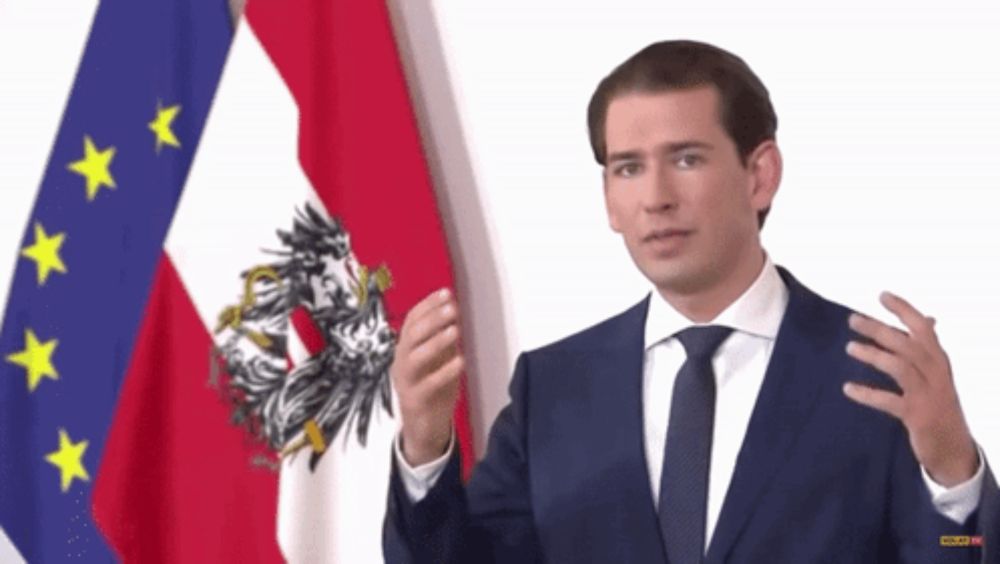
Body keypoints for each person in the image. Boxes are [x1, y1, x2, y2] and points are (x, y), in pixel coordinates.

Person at [382, 40, 998, 563]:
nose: (656, 196)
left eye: (686, 159)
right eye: (628, 169)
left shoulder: (878, 377)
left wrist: (952, 476)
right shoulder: (555, 388)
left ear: (760, 175)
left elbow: (955, 551)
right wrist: (425, 449)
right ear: (608, 200)